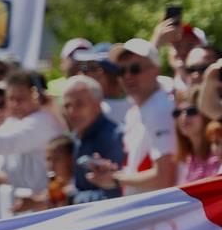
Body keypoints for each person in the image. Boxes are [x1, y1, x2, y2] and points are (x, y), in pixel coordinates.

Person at [84, 39, 177, 195]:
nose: (127, 76)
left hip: (159, 206)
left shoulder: (160, 108)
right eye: (121, 71)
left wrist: (116, 179)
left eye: (135, 69)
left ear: (155, 69)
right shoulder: (136, 110)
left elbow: (164, 177)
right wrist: (113, 175)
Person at [60, 76, 125, 204]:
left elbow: (117, 194)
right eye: (67, 105)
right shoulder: (77, 136)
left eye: (79, 104)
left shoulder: (114, 137)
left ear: (98, 104)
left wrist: (71, 198)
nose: (72, 112)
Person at [173, 88, 220, 183]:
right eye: (177, 113)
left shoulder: (218, 152)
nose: (183, 117)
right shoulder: (187, 159)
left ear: (206, 114)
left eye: (191, 111)